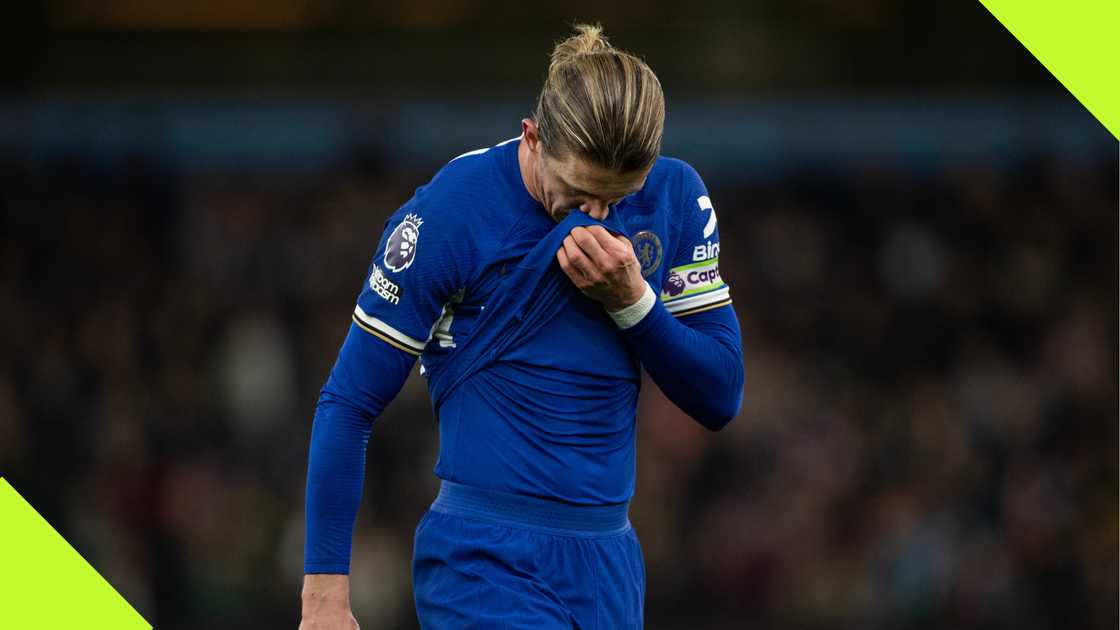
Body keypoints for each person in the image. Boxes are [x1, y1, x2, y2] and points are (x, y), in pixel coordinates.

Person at [300, 24, 744, 630]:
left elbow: (720, 394)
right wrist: (324, 599)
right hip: (484, 560)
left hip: (609, 564)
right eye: (580, 192)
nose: (598, 216)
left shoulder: (675, 197)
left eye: (619, 196)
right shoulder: (453, 211)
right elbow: (348, 402)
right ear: (533, 137)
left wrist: (635, 302)